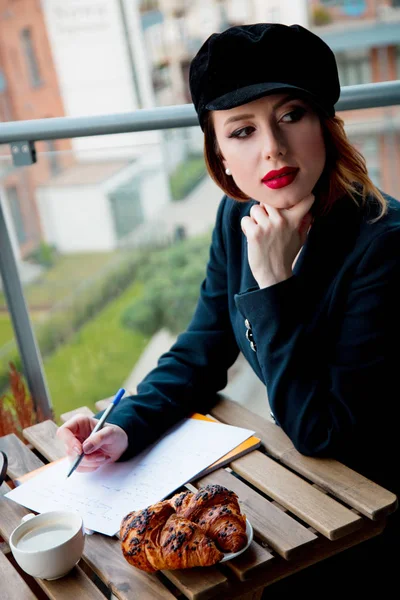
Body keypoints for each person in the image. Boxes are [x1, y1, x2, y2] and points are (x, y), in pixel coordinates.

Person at [57, 24, 399, 591]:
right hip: (303, 484)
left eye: (292, 115)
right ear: (218, 151)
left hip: (369, 504)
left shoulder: (384, 245)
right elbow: (201, 348)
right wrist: (123, 426)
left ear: (326, 123)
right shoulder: (237, 216)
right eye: (242, 129)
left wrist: (271, 284)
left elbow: (322, 432)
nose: (272, 147)